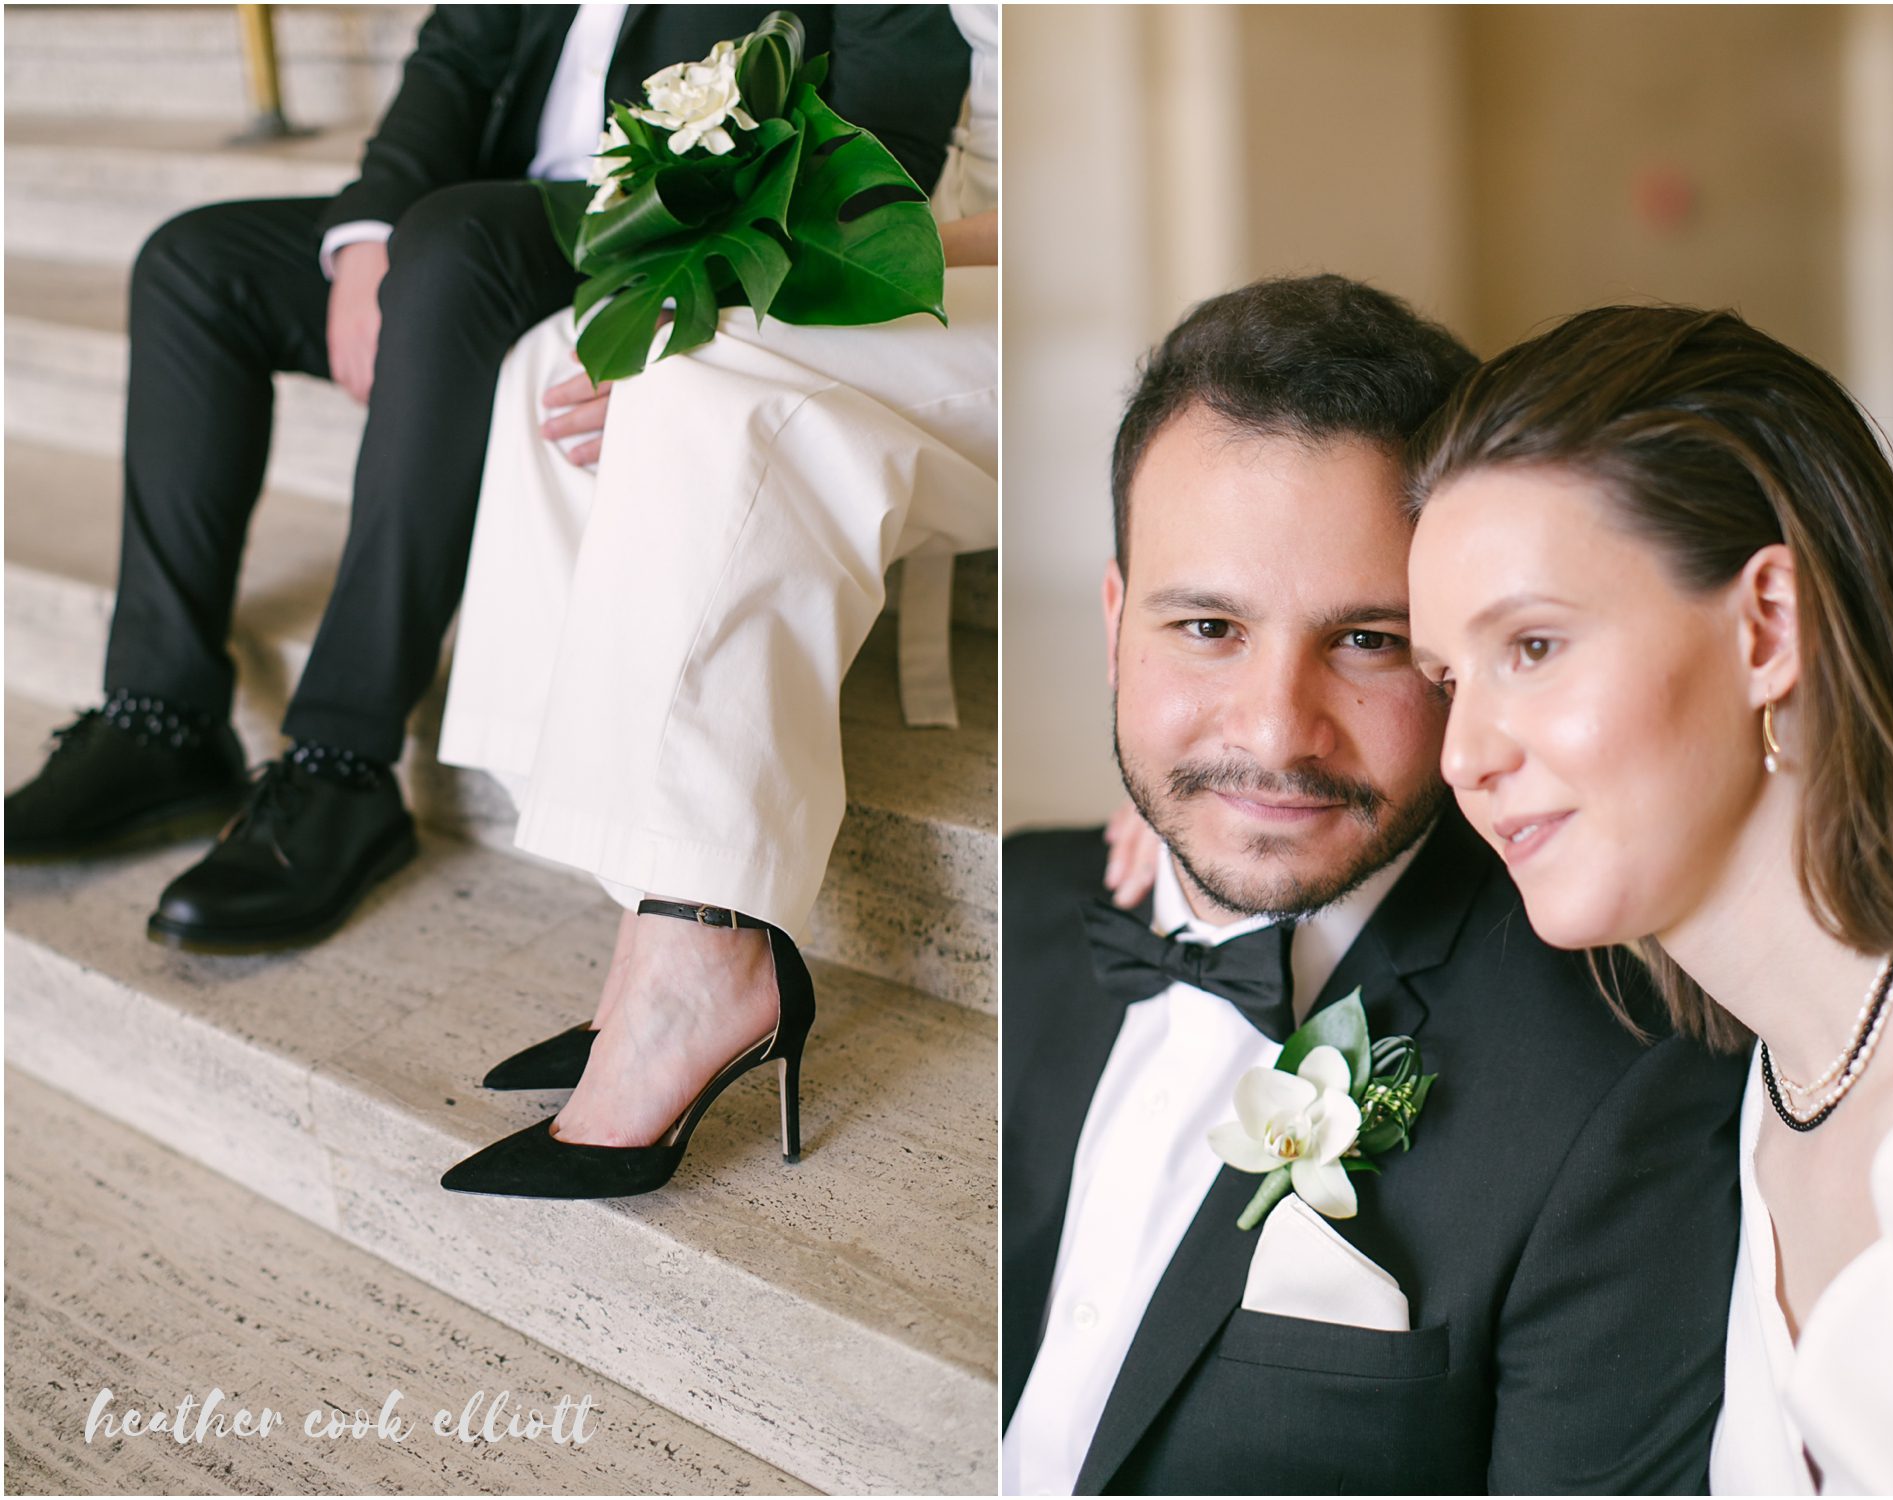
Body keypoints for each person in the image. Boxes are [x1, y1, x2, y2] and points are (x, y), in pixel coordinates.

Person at [1, 5, 970, 955]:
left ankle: (341, 761)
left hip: (661, 239)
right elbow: (456, 56)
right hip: (487, 221)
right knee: (194, 265)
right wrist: (368, 238)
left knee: (450, 242)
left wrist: (703, 310)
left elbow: (884, 131)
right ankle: (162, 713)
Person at [1000, 275, 1747, 1495]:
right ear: (1115, 623)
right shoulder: (1020, 901)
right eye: (1207, 629)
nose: (1275, 732)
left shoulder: (1619, 1088)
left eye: (1366, 640)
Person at [1404, 305, 1893, 1495]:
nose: (1461, 754)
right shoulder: (1769, 1102)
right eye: (1447, 680)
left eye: (1531, 648)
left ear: (1766, 628)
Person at [428, 5, 997, 1197]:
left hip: (1074, 278)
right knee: (556, 356)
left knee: (685, 366)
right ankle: (649, 924)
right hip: (946, 247)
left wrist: (758, 286)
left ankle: (704, 953)